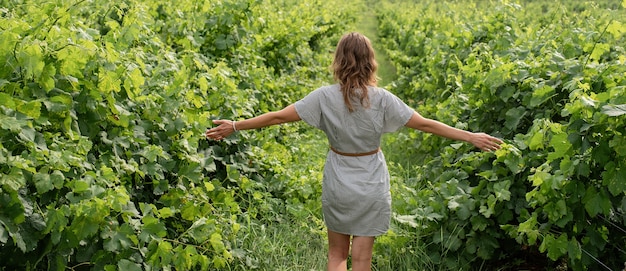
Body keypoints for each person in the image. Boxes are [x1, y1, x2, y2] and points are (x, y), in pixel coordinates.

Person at [205, 32, 503, 271]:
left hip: (338, 181)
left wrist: (235, 125)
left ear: (338, 61)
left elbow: (278, 117)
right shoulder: (383, 99)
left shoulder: (322, 97)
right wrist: (471, 136)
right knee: (362, 260)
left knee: (336, 255)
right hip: (371, 182)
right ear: (371, 62)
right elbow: (425, 125)